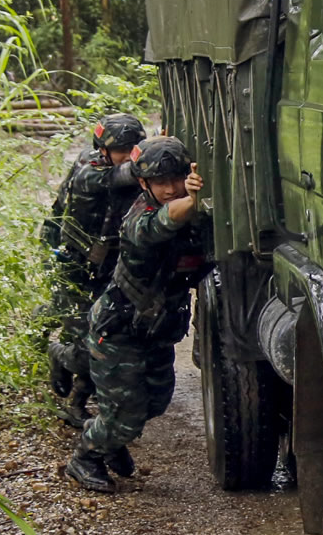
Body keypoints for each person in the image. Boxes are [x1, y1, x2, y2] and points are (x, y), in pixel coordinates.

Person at [63, 136, 212, 493]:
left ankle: (110, 438)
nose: (171, 188)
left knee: (156, 401)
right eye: (161, 182)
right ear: (143, 183)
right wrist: (190, 199)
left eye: (177, 179)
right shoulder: (139, 219)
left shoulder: (190, 213)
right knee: (126, 415)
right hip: (119, 331)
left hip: (156, 331)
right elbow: (165, 221)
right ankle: (85, 456)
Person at [39, 113, 146, 424]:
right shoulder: (91, 171)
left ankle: (78, 402)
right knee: (84, 347)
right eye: (121, 150)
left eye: (134, 148)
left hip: (110, 269)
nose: (128, 156)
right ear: (103, 150)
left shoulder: (129, 171)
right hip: (76, 268)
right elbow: (119, 176)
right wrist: (147, 157)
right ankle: (57, 352)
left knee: (104, 339)